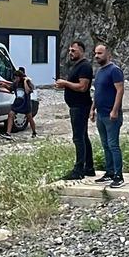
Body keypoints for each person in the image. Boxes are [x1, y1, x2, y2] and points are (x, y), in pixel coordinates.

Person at [55, 41, 95, 180]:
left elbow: (83, 87)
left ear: (82, 51)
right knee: (83, 136)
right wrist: (64, 85)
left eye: (73, 51)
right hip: (76, 106)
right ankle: (88, 168)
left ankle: (78, 170)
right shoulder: (77, 66)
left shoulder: (85, 66)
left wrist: (65, 83)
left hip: (80, 106)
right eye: (70, 50)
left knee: (78, 138)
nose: (70, 53)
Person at [90, 44, 126, 188]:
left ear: (108, 54)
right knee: (105, 145)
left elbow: (120, 90)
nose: (97, 56)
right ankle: (109, 172)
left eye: (100, 53)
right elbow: (97, 92)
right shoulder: (99, 72)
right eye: (95, 53)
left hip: (111, 115)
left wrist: (115, 110)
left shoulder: (114, 70)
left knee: (113, 145)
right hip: (100, 114)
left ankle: (118, 176)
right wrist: (92, 109)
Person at [1, 69, 34, 140]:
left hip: (25, 103)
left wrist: (25, 81)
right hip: (17, 103)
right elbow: (10, 89)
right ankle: (8, 133)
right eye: (15, 78)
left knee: (29, 117)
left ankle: (34, 132)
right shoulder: (15, 83)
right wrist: (5, 85)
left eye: (17, 78)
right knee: (11, 114)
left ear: (20, 77)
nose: (15, 79)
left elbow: (27, 91)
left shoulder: (27, 82)